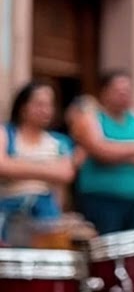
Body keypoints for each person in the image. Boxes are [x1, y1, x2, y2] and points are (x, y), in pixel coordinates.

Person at [71, 70, 134, 234]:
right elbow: (102, 151)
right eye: (118, 91)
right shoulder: (91, 118)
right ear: (104, 92)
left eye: (127, 91)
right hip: (100, 200)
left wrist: (115, 150)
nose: (124, 95)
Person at [0, 80, 77, 243]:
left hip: (46, 214)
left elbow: (66, 174)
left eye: (49, 105)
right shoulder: (5, 133)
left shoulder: (59, 142)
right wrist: (48, 169)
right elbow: (2, 165)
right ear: (23, 107)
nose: (46, 110)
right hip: (8, 210)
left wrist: (17, 165)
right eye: (39, 104)